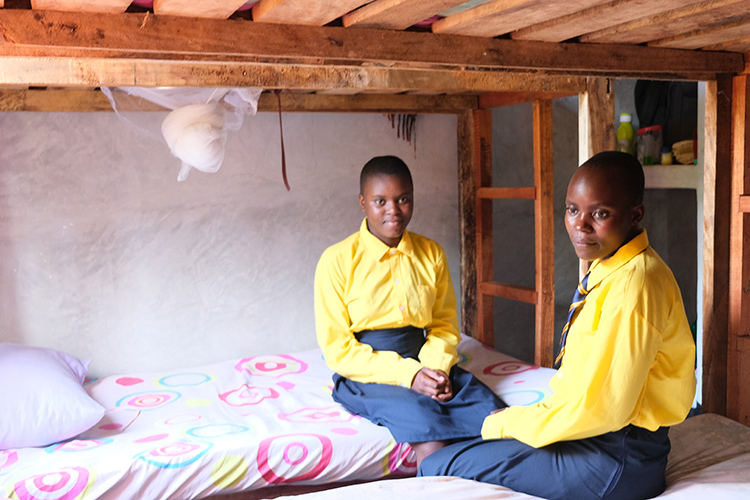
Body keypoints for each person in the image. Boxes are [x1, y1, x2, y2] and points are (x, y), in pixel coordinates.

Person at [418, 151, 696, 500]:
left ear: (635, 214)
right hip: (595, 437)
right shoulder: (612, 267)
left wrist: (506, 423)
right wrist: (520, 420)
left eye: (600, 213)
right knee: (461, 446)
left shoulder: (633, 286)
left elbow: (602, 408)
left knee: (438, 466)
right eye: (572, 209)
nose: (580, 225)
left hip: (615, 458)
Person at [314, 155, 504, 468]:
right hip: (368, 374)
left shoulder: (431, 253)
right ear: (362, 202)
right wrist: (409, 375)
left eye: (403, 199)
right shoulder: (336, 261)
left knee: (496, 420)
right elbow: (339, 350)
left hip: (428, 363)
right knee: (430, 433)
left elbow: (444, 325)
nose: (394, 210)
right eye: (380, 201)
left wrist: (434, 369)